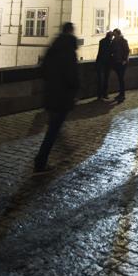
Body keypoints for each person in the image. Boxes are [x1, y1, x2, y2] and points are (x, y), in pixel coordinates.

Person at [34, 22, 79, 172]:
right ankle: (40, 161)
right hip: (62, 96)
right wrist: (75, 90)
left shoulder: (52, 48)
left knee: (55, 125)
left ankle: (64, 149)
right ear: (71, 32)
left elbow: (43, 70)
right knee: (54, 128)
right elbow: (72, 76)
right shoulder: (69, 51)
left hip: (50, 94)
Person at [110, 28, 130, 104]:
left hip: (122, 63)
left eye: (115, 34)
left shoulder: (123, 41)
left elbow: (127, 51)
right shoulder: (114, 41)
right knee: (120, 78)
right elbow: (111, 50)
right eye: (113, 35)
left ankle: (122, 94)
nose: (114, 36)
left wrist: (124, 60)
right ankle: (121, 94)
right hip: (116, 62)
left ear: (118, 34)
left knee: (121, 78)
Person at [96, 30, 113, 100]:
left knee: (100, 80)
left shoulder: (101, 41)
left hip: (100, 62)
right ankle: (105, 94)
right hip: (107, 63)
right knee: (106, 79)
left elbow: (99, 52)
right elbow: (112, 53)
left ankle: (99, 95)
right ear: (110, 36)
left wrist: (97, 62)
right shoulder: (111, 43)